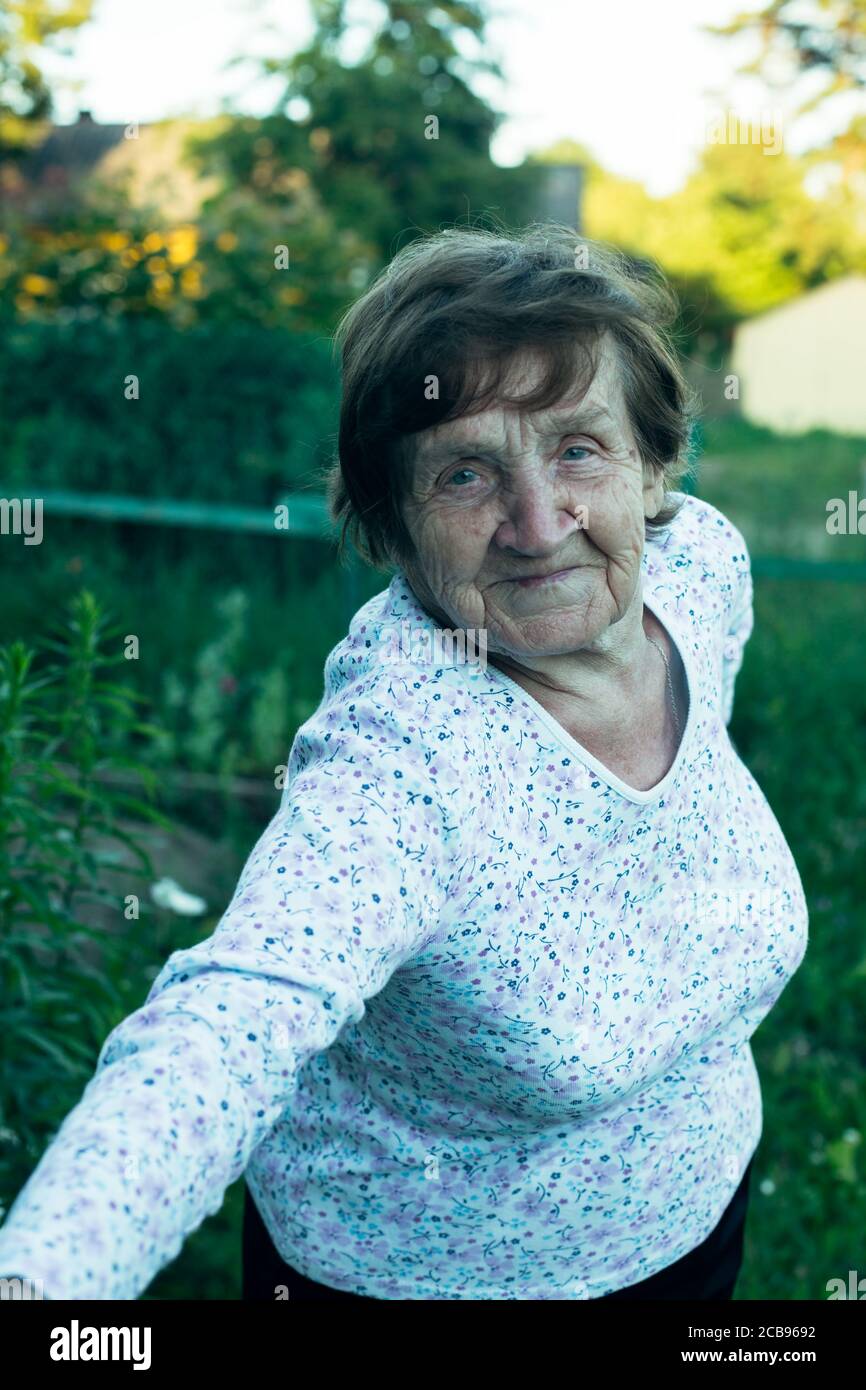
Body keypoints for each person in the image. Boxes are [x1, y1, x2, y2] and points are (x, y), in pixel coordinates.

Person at [0, 225, 808, 1301]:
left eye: (577, 448)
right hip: (429, 1277)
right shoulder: (400, 771)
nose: (536, 523)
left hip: (694, 1213)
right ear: (388, 527)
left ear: (653, 467)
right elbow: (228, 1026)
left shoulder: (697, 569)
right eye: (464, 473)